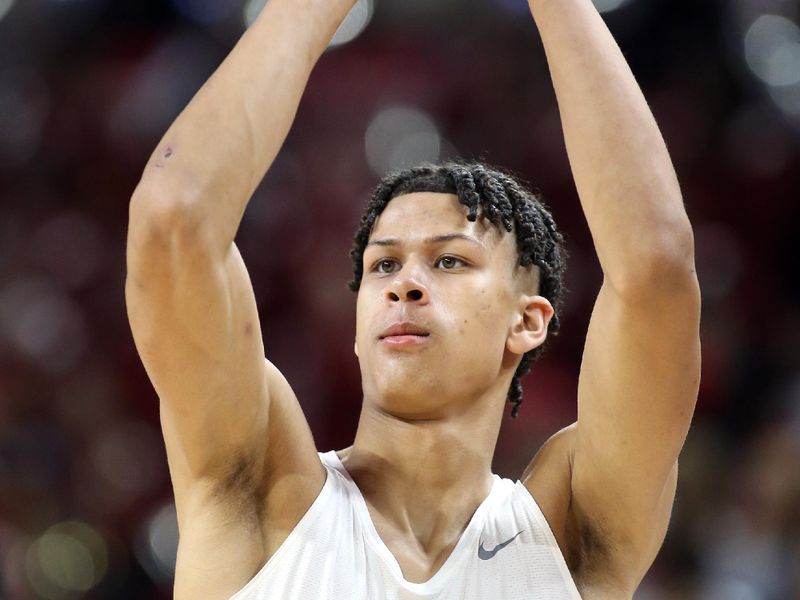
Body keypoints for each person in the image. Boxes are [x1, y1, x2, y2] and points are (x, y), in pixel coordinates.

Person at [125, 0, 701, 598]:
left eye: (450, 260)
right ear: (356, 326)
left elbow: (656, 267)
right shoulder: (261, 489)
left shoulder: (570, 535)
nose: (405, 283)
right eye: (383, 265)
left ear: (527, 320)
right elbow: (174, 219)